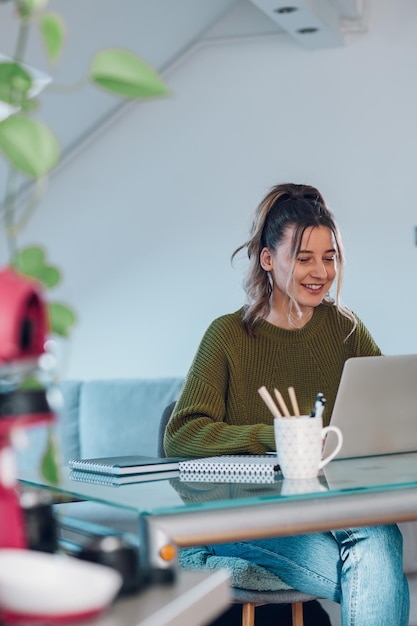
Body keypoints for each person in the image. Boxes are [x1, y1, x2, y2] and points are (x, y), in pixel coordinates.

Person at [164, 182, 410, 625]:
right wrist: (273, 436)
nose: (321, 271)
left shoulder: (345, 329)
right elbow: (181, 436)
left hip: (330, 513)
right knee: (379, 550)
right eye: (304, 257)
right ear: (267, 259)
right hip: (245, 519)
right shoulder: (227, 335)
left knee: (376, 536)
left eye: (329, 257)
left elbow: (386, 409)